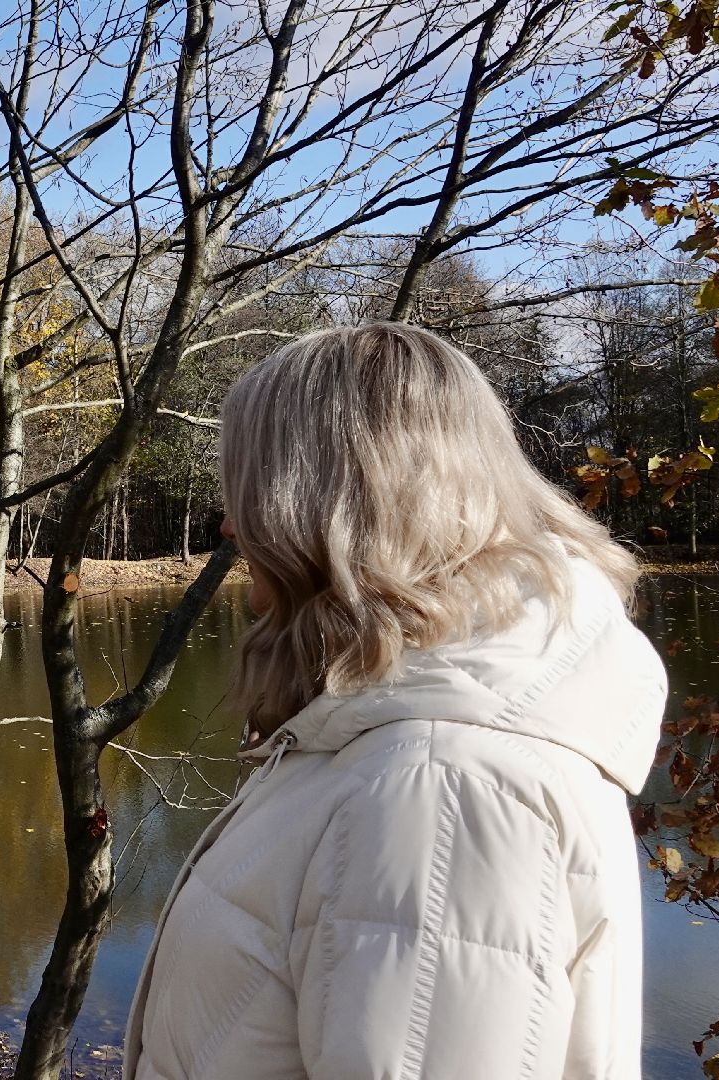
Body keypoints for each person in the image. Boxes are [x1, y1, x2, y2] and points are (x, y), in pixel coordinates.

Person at [124, 323, 668, 1080]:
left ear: (326, 504)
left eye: (251, 489)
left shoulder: (442, 786)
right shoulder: (398, 738)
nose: (230, 523)